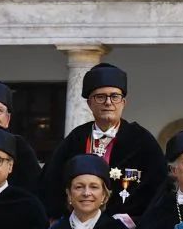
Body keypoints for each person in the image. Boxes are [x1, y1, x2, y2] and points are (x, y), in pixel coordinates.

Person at [39, 63, 166, 218]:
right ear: (89, 103)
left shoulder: (142, 141)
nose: (108, 102)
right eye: (100, 97)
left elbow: (159, 189)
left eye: (114, 96)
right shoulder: (75, 139)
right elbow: (50, 183)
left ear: (123, 103)